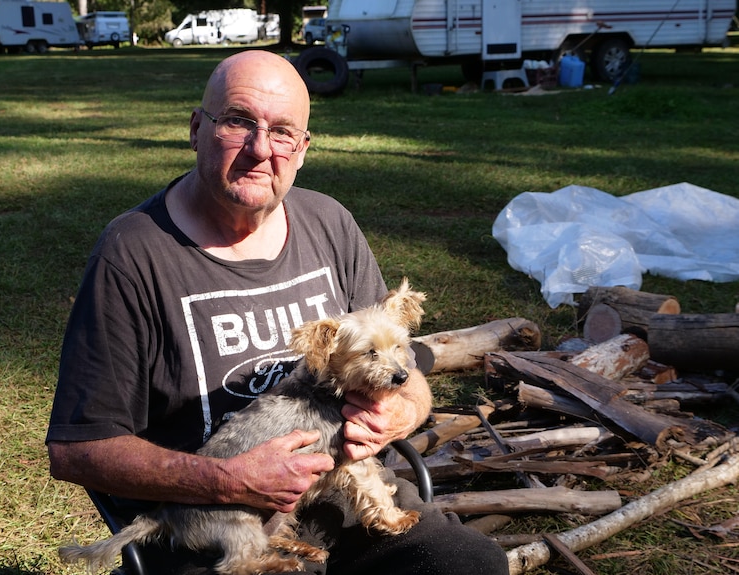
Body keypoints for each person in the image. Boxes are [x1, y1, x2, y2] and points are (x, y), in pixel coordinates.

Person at [46, 49, 509, 575]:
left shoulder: (330, 223)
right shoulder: (133, 254)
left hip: (347, 498)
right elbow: (78, 450)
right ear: (197, 128)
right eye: (239, 121)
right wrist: (228, 480)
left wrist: (401, 413)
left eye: (283, 131)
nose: (260, 149)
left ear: (304, 148)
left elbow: (409, 376)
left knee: (470, 563)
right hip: (217, 524)